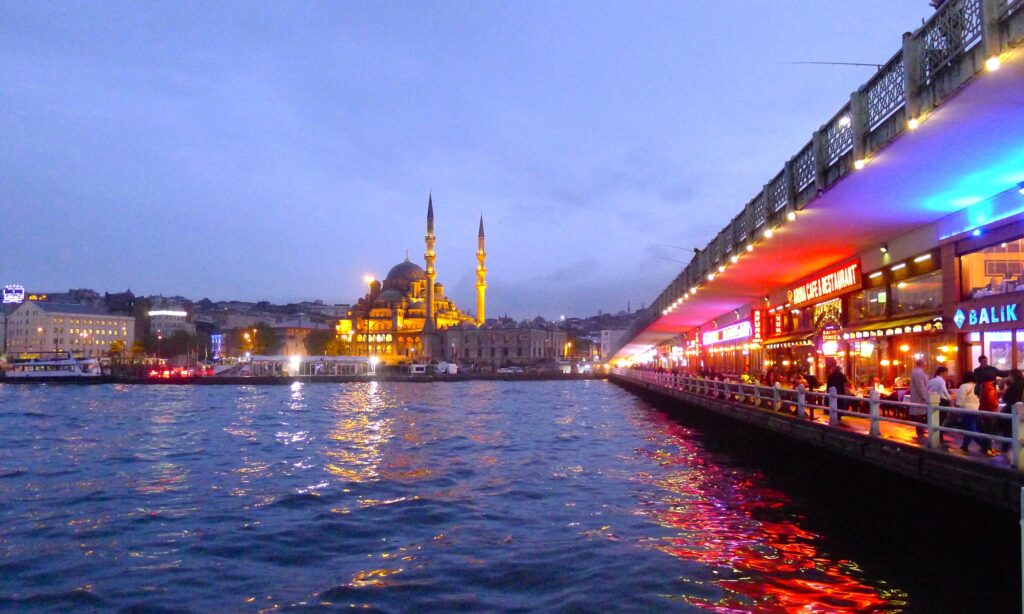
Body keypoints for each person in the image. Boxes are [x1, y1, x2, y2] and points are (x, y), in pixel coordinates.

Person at [974, 355, 1008, 455]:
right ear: (980, 361)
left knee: (987, 428)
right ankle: (987, 448)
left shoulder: (985, 384)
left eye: (986, 360)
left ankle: (986, 447)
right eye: (983, 361)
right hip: (989, 407)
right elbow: (992, 402)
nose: (985, 362)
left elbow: (1002, 373)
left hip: (984, 404)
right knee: (990, 427)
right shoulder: (989, 388)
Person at [956, 372, 984, 453]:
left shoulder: (963, 386)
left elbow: (960, 399)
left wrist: (956, 408)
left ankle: (983, 444)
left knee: (970, 428)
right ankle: (964, 446)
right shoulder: (978, 386)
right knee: (970, 427)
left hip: (967, 409)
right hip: (977, 409)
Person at [998, 369, 1024, 452]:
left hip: (1012, 409)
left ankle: (1004, 449)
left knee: (1007, 430)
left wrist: (1004, 383)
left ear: (1012, 376)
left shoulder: (1013, 386)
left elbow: (1005, 398)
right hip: (1021, 409)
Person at [909, 358, 930, 437]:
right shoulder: (918, 372)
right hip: (919, 397)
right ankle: (920, 430)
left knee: (919, 413)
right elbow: (920, 386)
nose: (925, 364)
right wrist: (924, 397)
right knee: (919, 413)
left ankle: (920, 429)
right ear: (922, 363)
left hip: (918, 396)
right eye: (924, 363)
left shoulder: (916, 372)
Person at [825, 357, 849, 422]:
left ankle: (834, 414)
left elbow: (828, 383)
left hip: (833, 390)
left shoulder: (831, 375)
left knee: (833, 402)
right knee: (840, 403)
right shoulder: (842, 375)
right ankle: (839, 414)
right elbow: (845, 383)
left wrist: (828, 391)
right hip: (840, 390)